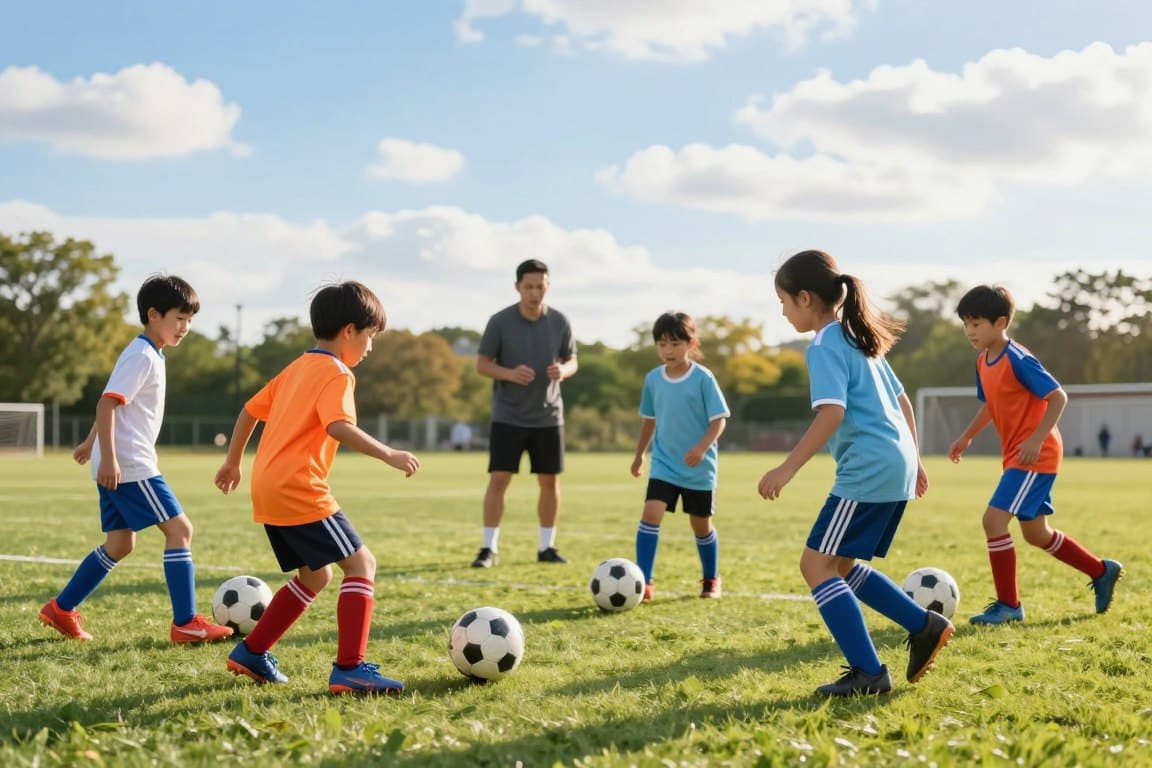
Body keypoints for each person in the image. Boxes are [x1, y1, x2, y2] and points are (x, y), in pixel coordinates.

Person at [757, 250, 953, 697]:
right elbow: (902, 401)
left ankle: (870, 672)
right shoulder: (860, 338)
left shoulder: (825, 344)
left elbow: (832, 413)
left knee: (815, 565)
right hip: (895, 462)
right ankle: (923, 626)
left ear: (805, 298)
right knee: (840, 564)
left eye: (784, 301)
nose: (783, 311)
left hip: (867, 468)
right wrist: (915, 459)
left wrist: (787, 468)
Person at [214, 281, 421, 694]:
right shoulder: (336, 373)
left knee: (315, 576)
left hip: (267, 485)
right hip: (298, 486)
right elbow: (339, 426)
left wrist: (233, 460)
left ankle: (252, 651)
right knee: (362, 565)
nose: (370, 348)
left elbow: (249, 411)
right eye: (370, 337)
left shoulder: (297, 368)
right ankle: (350, 667)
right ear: (349, 331)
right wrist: (388, 454)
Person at [40, 275, 234, 644]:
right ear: (153, 314)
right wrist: (110, 458)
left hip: (118, 461)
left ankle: (61, 609)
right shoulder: (143, 355)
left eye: (190, 320)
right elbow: (107, 404)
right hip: (130, 463)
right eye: (179, 318)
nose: (185, 327)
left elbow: (113, 401)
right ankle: (186, 622)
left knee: (120, 544)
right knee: (180, 531)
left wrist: (90, 443)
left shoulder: (146, 352)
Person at [949, 285, 1123, 625]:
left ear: (1001, 323)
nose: (970, 332)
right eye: (966, 324)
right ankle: (1102, 571)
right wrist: (966, 436)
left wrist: (1036, 439)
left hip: (1035, 454)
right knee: (1036, 533)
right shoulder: (982, 361)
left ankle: (1009, 605)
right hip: (1018, 454)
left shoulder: (1018, 358)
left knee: (993, 521)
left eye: (977, 324)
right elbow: (990, 405)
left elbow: (1058, 397)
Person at [471, 259, 577, 568]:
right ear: (518, 287)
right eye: (528, 287)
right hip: (509, 416)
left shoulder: (560, 321)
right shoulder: (499, 322)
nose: (534, 293)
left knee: (549, 481)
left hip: (549, 416)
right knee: (500, 478)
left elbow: (573, 361)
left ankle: (547, 547)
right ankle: (488, 548)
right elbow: (482, 364)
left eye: (540, 287)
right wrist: (508, 373)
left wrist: (564, 370)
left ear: (548, 286)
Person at [630, 312, 730, 601]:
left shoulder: (703, 378)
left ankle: (711, 579)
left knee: (700, 526)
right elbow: (649, 420)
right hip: (663, 464)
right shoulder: (653, 379)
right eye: (662, 344)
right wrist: (639, 455)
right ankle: (644, 582)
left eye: (675, 343)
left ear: (691, 343)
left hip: (699, 468)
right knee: (651, 514)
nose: (668, 351)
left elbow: (719, 420)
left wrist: (701, 448)